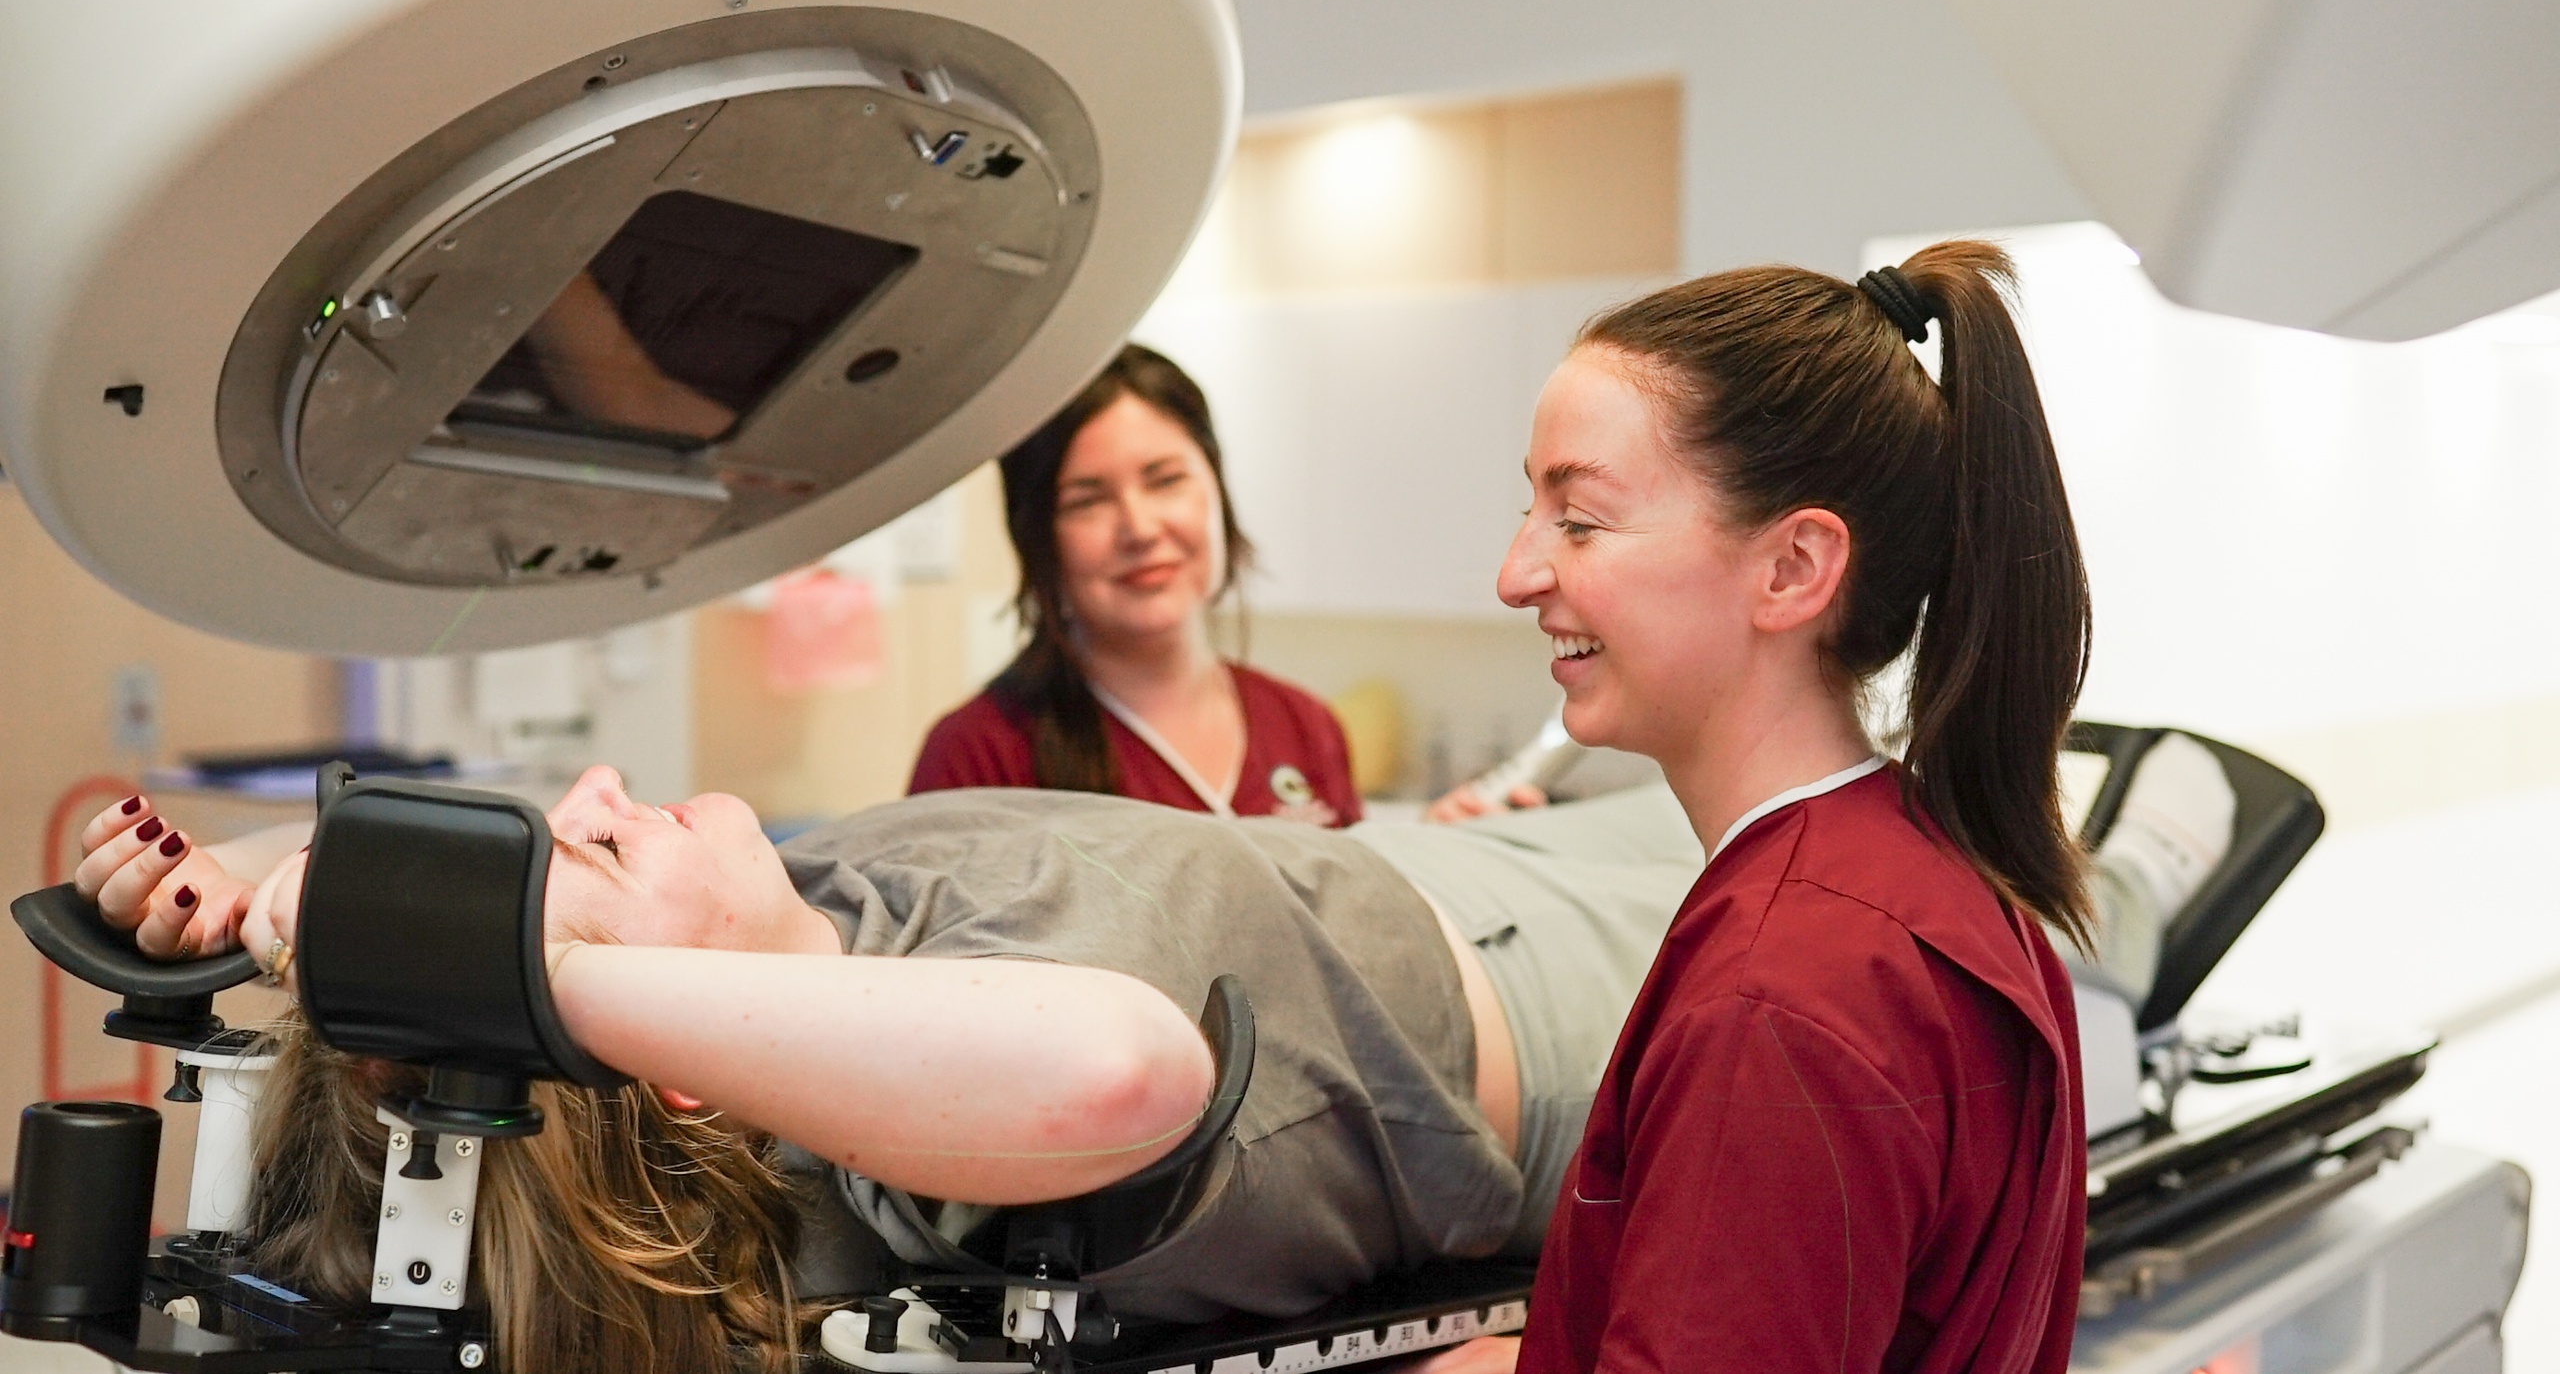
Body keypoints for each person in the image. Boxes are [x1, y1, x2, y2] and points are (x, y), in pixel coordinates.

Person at [69, 764, 1705, 1372]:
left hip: (1480, 856)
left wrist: (245, 872)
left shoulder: (800, 913)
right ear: (650, 1028)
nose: (600, 784)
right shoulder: (927, 1139)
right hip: (1580, 994)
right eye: (581, 860)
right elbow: (1121, 1071)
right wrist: (541, 972)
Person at [1453, 242, 2094, 1374]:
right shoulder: (1935, 883)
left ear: (1793, 566)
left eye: (1581, 519)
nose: (1517, 572)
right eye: (1528, 509)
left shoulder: (1782, 993)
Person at [909, 345, 1362, 825]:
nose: (1140, 529)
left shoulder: (1304, 725)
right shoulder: (979, 755)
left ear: (1217, 489)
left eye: (1166, 480)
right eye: (1088, 501)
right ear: (1038, 536)